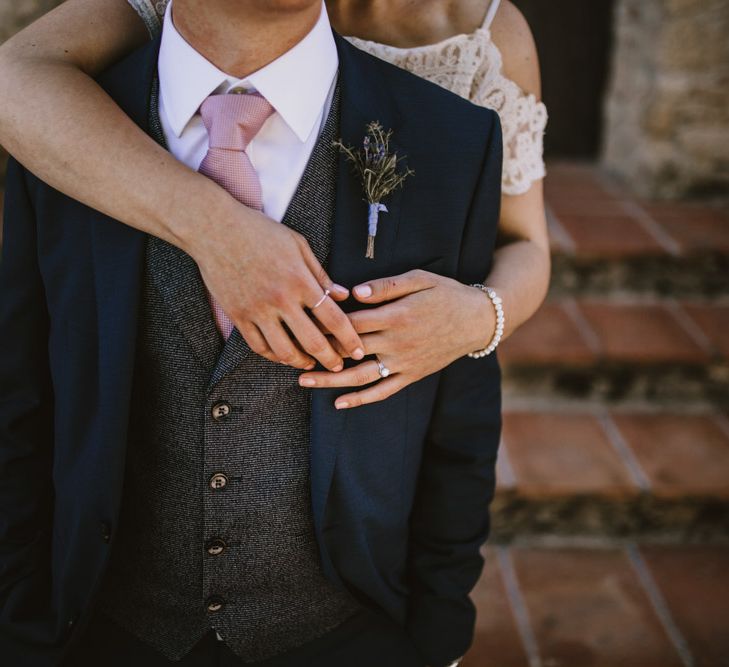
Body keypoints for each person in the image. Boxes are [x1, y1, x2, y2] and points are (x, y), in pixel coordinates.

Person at [0, 1, 503, 666]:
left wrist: (436, 641)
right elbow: (19, 392)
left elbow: (456, 431)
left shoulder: (449, 140)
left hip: (348, 628)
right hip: (101, 624)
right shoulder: (59, 126)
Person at [0, 0, 550, 409]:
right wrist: (218, 231)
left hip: (376, 425)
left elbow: (525, 242)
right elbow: (15, 79)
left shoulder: (485, 31)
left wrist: (477, 317)